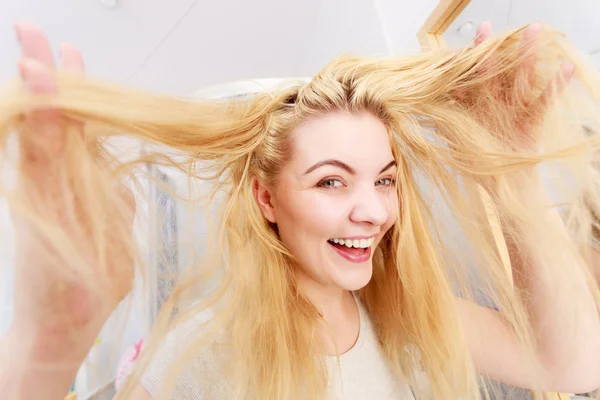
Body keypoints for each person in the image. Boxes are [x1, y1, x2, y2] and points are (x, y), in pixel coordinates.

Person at [1, 19, 600, 400]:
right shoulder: (199, 357)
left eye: (384, 181)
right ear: (267, 199)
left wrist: (512, 172)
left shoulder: (405, 314)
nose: (373, 212)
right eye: (332, 183)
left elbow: (573, 369)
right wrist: (48, 341)